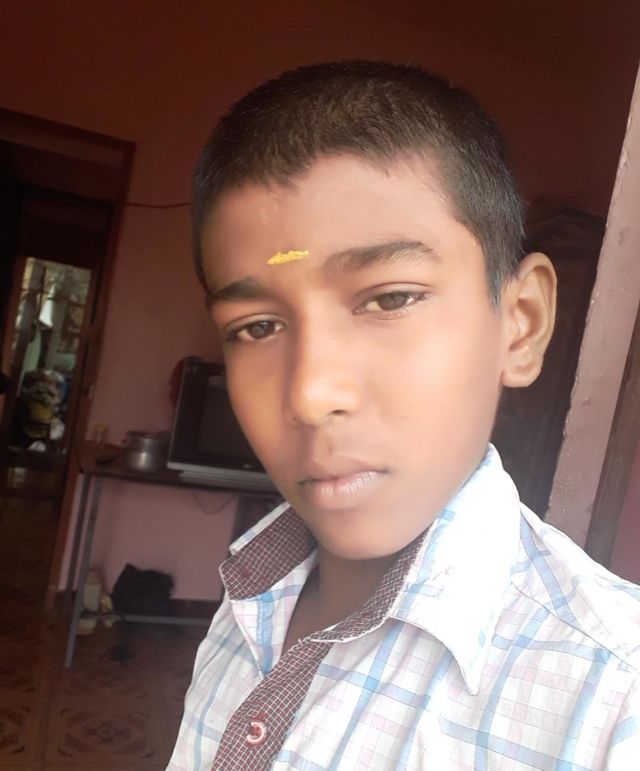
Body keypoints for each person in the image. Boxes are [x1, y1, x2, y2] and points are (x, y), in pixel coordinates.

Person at [168, 61, 640, 770]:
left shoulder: (615, 701)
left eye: (390, 298)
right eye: (257, 327)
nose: (309, 395)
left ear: (521, 323)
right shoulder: (251, 602)